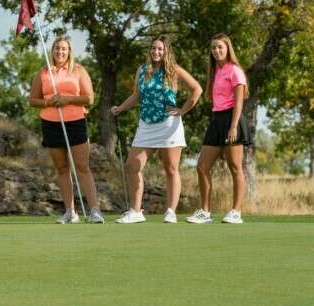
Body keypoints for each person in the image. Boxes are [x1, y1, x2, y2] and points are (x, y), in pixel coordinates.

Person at [110, 35, 202, 224]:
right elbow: (136, 95)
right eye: (153, 48)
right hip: (146, 125)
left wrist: (182, 110)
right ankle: (136, 212)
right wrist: (120, 108)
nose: (156, 52)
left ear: (166, 51)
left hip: (169, 124)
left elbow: (197, 89)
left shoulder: (174, 70)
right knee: (132, 166)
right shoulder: (143, 70)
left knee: (170, 169)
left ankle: (170, 211)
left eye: (160, 49)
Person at [28, 36, 104, 224]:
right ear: (52, 51)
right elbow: (32, 100)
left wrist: (67, 100)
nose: (60, 52)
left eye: (64, 49)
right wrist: (48, 102)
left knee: (82, 167)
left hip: (75, 122)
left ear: (69, 51)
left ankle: (95, 211)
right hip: (51, 123)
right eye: (57, 48)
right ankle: (70, 212)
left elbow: (89, 98)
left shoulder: (78, 70)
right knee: (62, 168)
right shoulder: (44, 72)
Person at [186, 33, 250, 225]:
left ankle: (236, 212)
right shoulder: (215, 71)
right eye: (213, 48)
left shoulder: (235, 71)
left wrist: (233, 127)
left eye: (220, 47)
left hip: (233, 119)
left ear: (227, 48)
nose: (216, 51)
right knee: (202, 166)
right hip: (216, 119)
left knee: (235, 167)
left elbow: (238, 103)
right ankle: (205, 212)